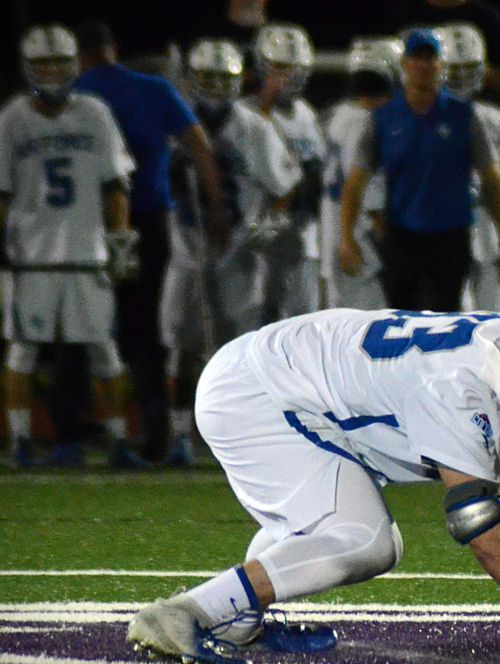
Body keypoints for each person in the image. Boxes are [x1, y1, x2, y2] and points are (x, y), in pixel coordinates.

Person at [126, 306, 500, 664]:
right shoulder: (464, 391)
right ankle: (184, 615)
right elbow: (479, 526)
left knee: (329, 521)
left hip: (273, 376)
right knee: (364, 539)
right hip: (259, 396)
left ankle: (234, 619)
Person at [73, 20, 228, 463]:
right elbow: (199, 145)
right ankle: (156, 431)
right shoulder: (152, 89)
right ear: (113, 48)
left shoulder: (77, 95)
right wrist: (216, 206)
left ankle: (99, 430)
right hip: (149, 219)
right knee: (147, 330)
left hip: (86, 224)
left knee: (96, 328)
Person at [1, 25, 145, 469]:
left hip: (86, 250)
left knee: (104, 350)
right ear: (28, 68)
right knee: (22, 349)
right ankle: (21, 442)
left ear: (74, 65)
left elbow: (114, 183)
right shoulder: (12, 118)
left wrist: (119, 237)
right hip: (32, 255)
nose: (51, 72)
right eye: (42, 64)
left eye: (59, 63)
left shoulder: (95, 112)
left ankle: (119, 442)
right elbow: (2, 192)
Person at [158, 37, 301, 466]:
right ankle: (180, 436)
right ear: (192, 79)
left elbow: (286, 186)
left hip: (239, 252)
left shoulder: (254, 126)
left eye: (223, 78)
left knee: (240, 350)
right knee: (182, 345)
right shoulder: (174, 124)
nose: (216, 86)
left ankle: (245, 436)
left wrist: (270, 221)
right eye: (207, 77)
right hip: (185, 248)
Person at [339, 28, 500, 312]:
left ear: (441, 65)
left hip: (451, 237)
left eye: (431, 57)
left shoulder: (465, 116)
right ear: (404, 64)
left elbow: (494, 181)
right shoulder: (383, 118)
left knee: (445, 322)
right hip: (401, 237)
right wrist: (347, 238)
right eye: (417, 57)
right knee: (401, 321)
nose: (424, 65)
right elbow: (355, 182)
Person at [440, 23, 500, 313]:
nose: (462, 78)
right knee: (449, 317)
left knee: (490, 318)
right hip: (440, 228)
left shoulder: (496, 119)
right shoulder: (422, 117)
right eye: (455, 70)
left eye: (468, 69)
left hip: (486, 227)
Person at [246, 22, 325, 325]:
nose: (287, 76)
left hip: (302, 234)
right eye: (279, 66)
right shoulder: (247, 112)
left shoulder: (306, 113)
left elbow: (315, 173)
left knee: (304, 321)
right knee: (261, 321)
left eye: (294, 68)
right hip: (260, 234)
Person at [319, 36, 403, 312]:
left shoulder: (338, 114)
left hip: (335, 233)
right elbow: (369, 192)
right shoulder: (371, 122)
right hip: (361, 243)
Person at [391, 0, 500, 94]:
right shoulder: (402, 16)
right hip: (412, 113)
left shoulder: (487, 18)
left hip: (469, 112)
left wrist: (474, 72)